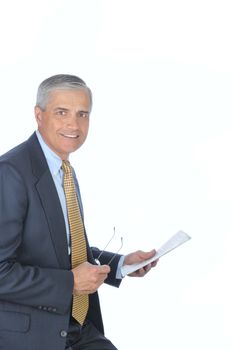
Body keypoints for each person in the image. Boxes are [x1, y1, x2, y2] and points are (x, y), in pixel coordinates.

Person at [0, 74, 157, 350]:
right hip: (31, 335)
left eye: (82, 114)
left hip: (78, 328)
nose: (74, 124)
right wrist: (70, 282)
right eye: (62, 112)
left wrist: (120, 265)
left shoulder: (63, 171)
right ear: (39, 115)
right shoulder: (11, 173)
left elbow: (63, 250)